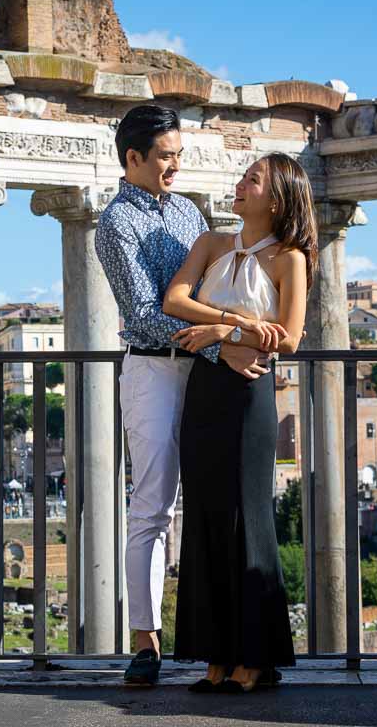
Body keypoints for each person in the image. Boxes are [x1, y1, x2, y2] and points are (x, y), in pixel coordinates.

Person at [95, 105, 272, 686]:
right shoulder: (114, 223)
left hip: (203, 372)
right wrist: (225, 341)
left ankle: (224, 643)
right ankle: (146, 642)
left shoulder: (189, 212)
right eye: (165, 156)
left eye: (178, 155)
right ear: (133, 159)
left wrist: (225, 338)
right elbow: (142, 314)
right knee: (152, 504)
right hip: (154, 370)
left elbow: (204, 290)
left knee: (208, 505)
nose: (174, 165)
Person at [163, 152, 318, 693]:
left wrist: (222, 336)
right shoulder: (210, 243)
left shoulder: (289, 258)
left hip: (250, 393)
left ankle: (255, 656)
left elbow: (290, 338)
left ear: (274, 199)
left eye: (251, 179)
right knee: (205, 514)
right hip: (205, 391)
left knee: (249, 518)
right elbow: (174, 300)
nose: (239, 183)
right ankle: (215, 655)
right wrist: (236, 323)